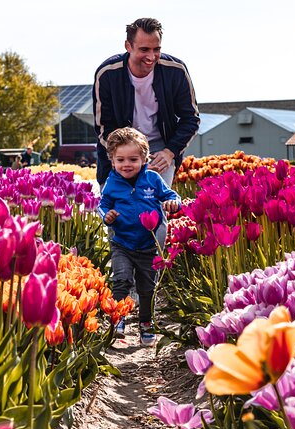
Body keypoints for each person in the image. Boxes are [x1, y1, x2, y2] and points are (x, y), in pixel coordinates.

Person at [92, 17, 199, 188]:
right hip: (119, 151)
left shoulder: (175, 71)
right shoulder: (108, 74)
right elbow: (104, 126)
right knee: (117, 210)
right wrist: (126, 157)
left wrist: (170, 152)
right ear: (128, 46)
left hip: (160, 150)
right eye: (144, 49)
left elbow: (191, 119)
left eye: (156, 49)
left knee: (154, 208)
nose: (151, 56)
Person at [97, 127, 181, 347]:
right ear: (112, 160)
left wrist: (174, 203)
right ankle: (118, 318)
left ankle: (146, 322)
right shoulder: (112, 182)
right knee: (121, 280)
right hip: (122, 242)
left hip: (149, 245)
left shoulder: (152, 179)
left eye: (133, 159)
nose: (127, 164)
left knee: (147, 288)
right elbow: (103, 205)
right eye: (120, 159)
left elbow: (170, 195)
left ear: (144, 158)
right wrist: (108, 215)